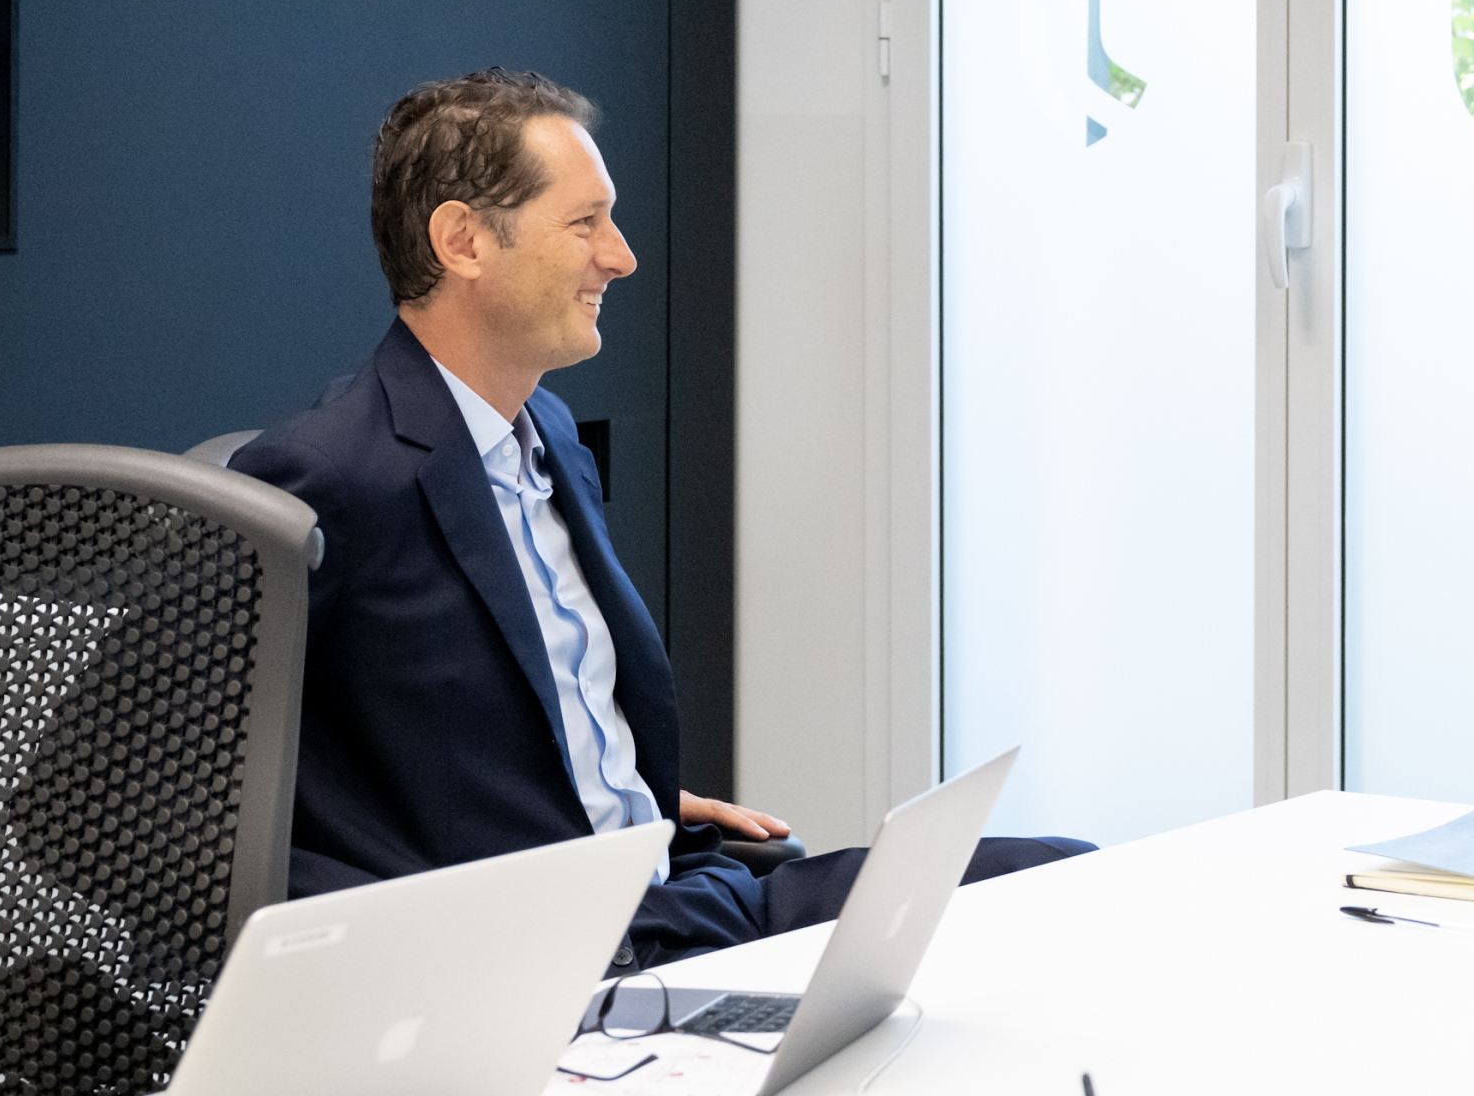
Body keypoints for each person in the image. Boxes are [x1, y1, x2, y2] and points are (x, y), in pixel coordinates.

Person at [235, 69, 1087, 964]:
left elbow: (510, 706)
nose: (621, 255)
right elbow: (151, 796)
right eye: (584, 223)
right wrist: (411, 945)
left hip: (675, 894)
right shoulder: (327, 474)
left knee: (1066, 878)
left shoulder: (549, 435)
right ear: (464, 241)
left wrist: (615, 792)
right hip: (557, 959)